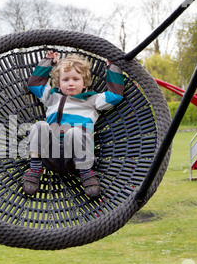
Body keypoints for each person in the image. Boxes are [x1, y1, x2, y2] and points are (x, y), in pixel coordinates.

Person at [23, 50, 124, 198]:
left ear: (85, 84)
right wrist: (48, 61)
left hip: (76, 158)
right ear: (58, 83)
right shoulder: (52, 97)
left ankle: (86, 173)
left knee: (76, 132)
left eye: (76, 79)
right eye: (65, 80)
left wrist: (112, 68)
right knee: (39, 126)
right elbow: (34, 84)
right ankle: (35, 168)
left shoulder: (92, 100)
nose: (70, 83)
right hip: (50, 155)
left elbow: (115, 95)